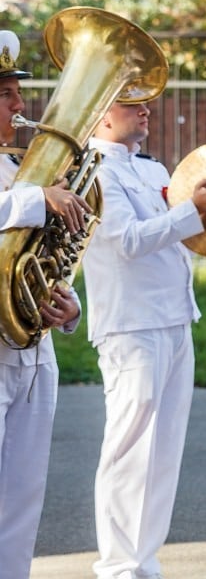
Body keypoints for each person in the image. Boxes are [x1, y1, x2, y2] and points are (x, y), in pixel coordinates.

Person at [83, 99, 206, 579]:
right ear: (102, 113)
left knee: (163, 452)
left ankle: (144, 562)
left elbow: (176, 235)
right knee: (130, 450)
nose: (145, 109)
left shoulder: (152, 168)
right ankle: (119, 566)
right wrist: (192, 209)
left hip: (173, 316)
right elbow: (126, 241)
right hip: (131, 323)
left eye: (147, 102)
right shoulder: (94, 171)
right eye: (130, 102)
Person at [0, 30, 90, 579]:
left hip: (33, 351)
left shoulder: (19, 170)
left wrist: (68, 306)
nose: (20, 104)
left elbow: (50, 259)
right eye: (7, 94)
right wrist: (38, 199)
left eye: (16, 91)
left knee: (22, 499)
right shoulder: (25, 186)